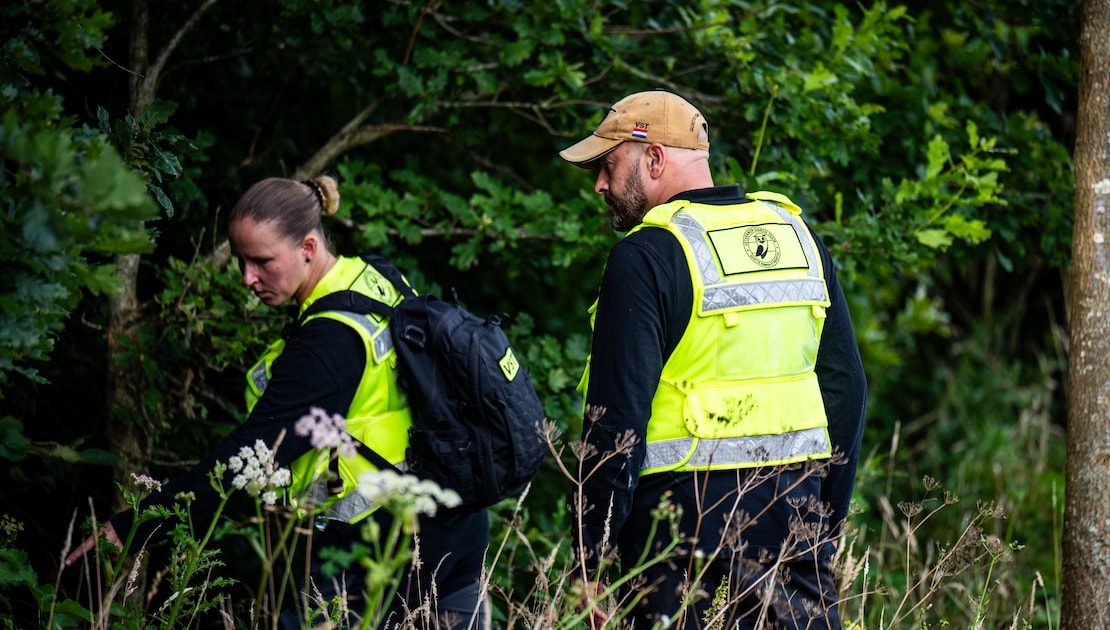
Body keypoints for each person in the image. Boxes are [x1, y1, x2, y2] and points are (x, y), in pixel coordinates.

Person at [65, 175, 490, 629]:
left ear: (307, 246)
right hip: (457, 520)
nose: (248, 278)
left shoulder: (328, 342)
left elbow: (248, 456)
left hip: (377, 547)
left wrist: (138, 525)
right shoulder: (374, 275)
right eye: (242, 261)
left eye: (263, 261)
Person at [559, 90, 868, 629]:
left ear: (653, 159)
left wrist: (592, 556)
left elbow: (617, 418)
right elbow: (845, 390)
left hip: (678, 543)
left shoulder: (645, 256)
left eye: (609, 166)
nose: (600, 185)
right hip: (795, 527)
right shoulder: (799, 239)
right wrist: (824, 528)